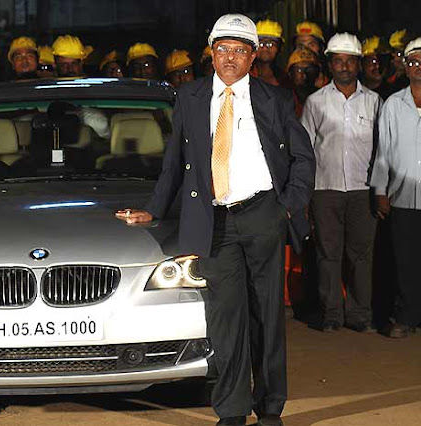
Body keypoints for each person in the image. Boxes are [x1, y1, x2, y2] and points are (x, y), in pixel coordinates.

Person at [116, 13, 315, 426]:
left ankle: (270, 407)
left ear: (253, 56)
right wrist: (155, 208)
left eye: (240, 50)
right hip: (213, 220)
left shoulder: (274, 99)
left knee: (267, 315)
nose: (230, 58)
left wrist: (286, 207)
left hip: (263, 214)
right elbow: (174, 161)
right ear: (211, 52)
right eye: (223, 49)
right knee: (225, 318)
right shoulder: (189, 97)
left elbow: (303, 158)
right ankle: (232, 410)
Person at [301, 33, 381, 334]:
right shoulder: (315, 102)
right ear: (330, 64)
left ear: (358, 64)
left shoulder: (374, 102)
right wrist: (305, 194)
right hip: (325, 189)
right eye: (338, 61)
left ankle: (360, 314)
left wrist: (381, 188)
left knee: (362, 255)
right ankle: (332, 314)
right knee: (328, 254)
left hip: (363, 189)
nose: (344, 66)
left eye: (350, 61)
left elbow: (383, 149)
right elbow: (305, 150)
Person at [370, 37, 421, 339]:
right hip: (402, 197)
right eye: (413, 62)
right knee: (405, 261)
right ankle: (406, 316)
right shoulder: (393, 104)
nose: (418, 67)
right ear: (406, 66)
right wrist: (380, 191)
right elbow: (383, 152)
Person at [251, 20, 290, 87]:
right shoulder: (244, 75)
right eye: (260, 43)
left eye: (270, 44)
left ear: (280, 48)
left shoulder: (285, 79)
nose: (265, 48)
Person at [294, 21, 329, 88]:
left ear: (321, 48)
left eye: (311, 45)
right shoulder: (285, 78)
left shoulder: (332, 74)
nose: (306, 50)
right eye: (300, 46)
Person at [286, 48, 319, 117]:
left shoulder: (324, 98)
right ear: (290, 73)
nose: (304, 75)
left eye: (310, 70)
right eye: (299, 70)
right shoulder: (283, 99)